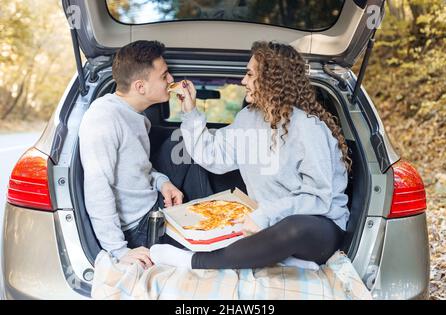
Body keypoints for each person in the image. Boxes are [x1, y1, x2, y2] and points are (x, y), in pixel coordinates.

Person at [149, 41, 352, 270]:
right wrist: (190, 111)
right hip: (268, 225)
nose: (243, 81)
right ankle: (277, 256)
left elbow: (319, 198)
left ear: (271, 79)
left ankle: (193, 261)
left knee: (294, 228)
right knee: (255, 227)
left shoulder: (308, 127)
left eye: (249, 74)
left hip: (319, 225)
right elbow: (212, 156)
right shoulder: (248, 118)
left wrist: (266, 214)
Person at [79, 40, 212, 269]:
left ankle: (211, 226)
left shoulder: (136, 115)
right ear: (140, 87)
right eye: (164, 76)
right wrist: (119, 250)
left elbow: (139, 166)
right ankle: (211, 239)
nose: (171, 80)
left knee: (188, 145)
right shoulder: (104, 118)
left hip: (153, 202)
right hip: (138, 228)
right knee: (202, 255)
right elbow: (97, 187)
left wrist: (163, 182)